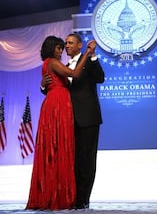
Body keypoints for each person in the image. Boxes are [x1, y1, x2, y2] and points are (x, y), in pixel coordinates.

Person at [26, 35, 96, 210]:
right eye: (59, 47)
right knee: (56, 147)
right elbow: (74, 74)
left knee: (59, 148)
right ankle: (55, 195)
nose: (62, 49)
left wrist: (43, 85)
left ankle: (58, 193)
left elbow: (52, 82)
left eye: (63, 46)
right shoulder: (52, 61)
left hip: (60, 104)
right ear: (51, 48)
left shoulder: (52, 64)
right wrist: (87, 53)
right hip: (57, 105)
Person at [41, 33, 105, 210]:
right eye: (65, 44)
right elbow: (56, 89)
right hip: (67, 120)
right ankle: (72, 197)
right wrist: (42, 85)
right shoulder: (61, 65)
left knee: (86, 161)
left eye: (70, 43)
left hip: (87, 118)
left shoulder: (88, 62)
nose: (66, 46)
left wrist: (92, 56)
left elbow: (100, 78)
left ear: (79, 46)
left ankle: (83, 200)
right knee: (71, 161)